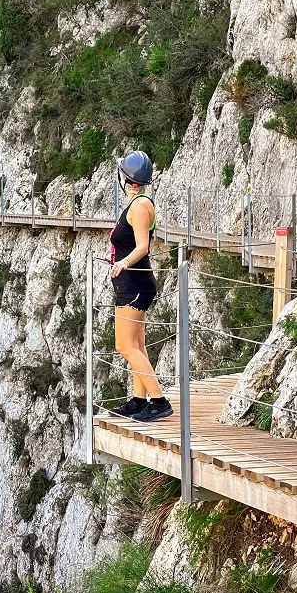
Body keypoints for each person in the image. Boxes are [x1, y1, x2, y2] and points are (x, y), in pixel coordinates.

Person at [107, 151, 173, 423]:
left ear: (127, 180)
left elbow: (143, 246)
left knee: (124, 345)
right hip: (133, 283)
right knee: (137, 345)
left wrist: (122, 263)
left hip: (134, 284)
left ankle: (159, 402)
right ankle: (138, 399)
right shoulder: (138, 203)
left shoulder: (139, 207)